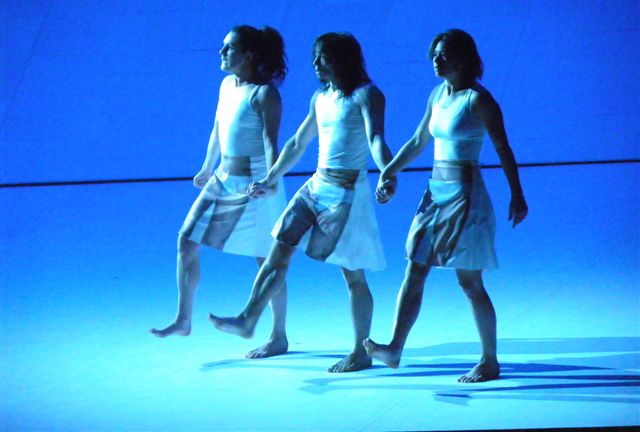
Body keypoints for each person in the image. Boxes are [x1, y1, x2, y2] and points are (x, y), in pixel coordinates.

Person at [209, 32, 394, 373]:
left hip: (347, 192)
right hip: (317, 184)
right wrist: (271, 178)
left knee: (353, 275)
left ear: (342, 59)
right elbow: (297, 142)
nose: (315, 63)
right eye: (315, 56)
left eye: (323, 56)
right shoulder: (320, 97)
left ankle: (360, 351)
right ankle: (249, 318)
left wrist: (388, 172)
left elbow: (376, 140)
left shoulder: (366, 95)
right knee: (278, 249)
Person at [363, 29, 528, 383]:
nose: (436, 60)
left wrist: (517, 194)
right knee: (415, 268)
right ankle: (394, 348)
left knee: (469, 282)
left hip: (466, 196)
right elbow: (419, 139)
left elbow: (503, 148)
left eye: (444, 54)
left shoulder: (478, 100)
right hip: (435, 192)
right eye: (435, 54)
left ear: (464, 58)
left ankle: (490, 360)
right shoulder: (438, 94)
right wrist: (389, 171)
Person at [150, 25, 290, 359]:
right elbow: (218, 127)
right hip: (223, 177)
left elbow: (271, 143)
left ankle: (278, 336)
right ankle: (183, 319)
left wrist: (271, 181)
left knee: (267, 259)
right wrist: (206, 166)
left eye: (229, 48)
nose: (221, 53)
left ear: (248, 55)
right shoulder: (227, 85)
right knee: (186, 241)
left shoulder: (265, 94)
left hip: (255, 182)